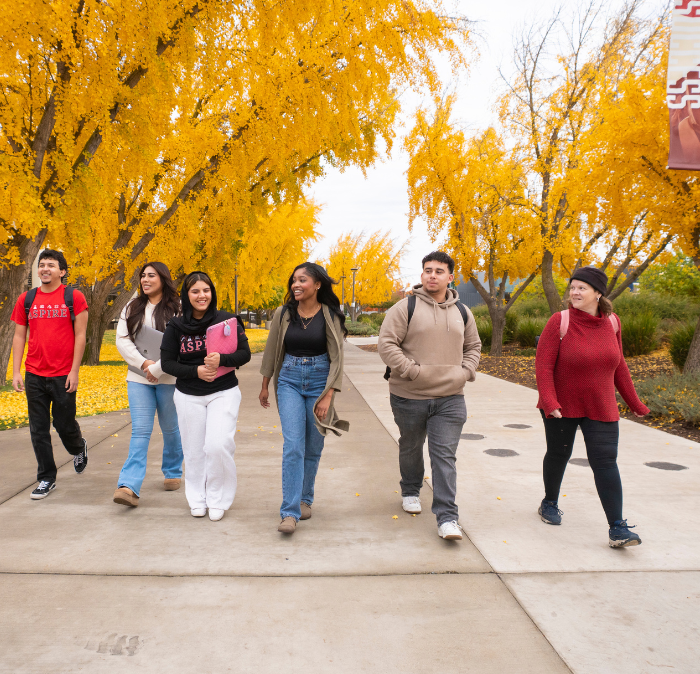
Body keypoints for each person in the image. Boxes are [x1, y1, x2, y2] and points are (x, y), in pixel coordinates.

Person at [535, 266, 649, 548]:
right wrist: (550, 401)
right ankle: (549, 502)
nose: (574, 292)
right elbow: (544, 365)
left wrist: (634, 402)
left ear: (598, 293)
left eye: (581, 288)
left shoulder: (612, 323)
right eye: (572, 287)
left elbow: (619, 364)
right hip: (561, 404)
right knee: (559, 454)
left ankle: (617, 528)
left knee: (606, 461)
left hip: (601, 403)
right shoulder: (559, 321)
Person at [378, 251, 481, 540]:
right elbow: (387, 344)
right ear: (422, 275)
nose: (432, 275)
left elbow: (474, 346)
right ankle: (411, 489)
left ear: (450, 277)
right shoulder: (404, 307)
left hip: (451, 396)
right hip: (409, 394)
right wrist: (411, 371)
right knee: (411, 445)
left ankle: (447, 517)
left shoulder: (463, 311)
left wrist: (465, 372)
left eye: (438, 271)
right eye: (427, 270)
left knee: (444, 456)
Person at [259, 262, 349, 535]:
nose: (296, 285)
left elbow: (338, 358)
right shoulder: (284, 313)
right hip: (289, 379)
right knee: (294, 445)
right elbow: (272, 349)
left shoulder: (330, 314)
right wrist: (264, 385)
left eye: (302, 280)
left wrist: (328, 394)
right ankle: (289, 512)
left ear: (318, 284)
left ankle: (305, 498)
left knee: (314, 446)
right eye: (293, 281)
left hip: (321, 381)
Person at [160, 271, 251, 521]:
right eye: (195, 291)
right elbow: (167, 363)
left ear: (213, 292)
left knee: (217, 445)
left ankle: (218, 498)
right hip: (189, 394)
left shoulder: (228, 321)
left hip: (224, 392)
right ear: (186, 296)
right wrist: (195, 371)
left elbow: (245, 354)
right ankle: (197, 499)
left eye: (206, 290)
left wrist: (222, 359)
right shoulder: (176, 326)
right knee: (193, 450)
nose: (202, 296)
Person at [11, 249, 89, 499]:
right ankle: (46, 478)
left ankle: (78, 447)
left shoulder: (73, 297)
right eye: (42, 265)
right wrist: (16, 371)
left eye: (51, 265)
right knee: (38, 428)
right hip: (34, 373)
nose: (45, 269)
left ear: (62, 272)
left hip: (63, 374)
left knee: (64, 424)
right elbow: (19, 335)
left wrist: (74, 371)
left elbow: (80, 336)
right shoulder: (27, 298)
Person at [112, 262, 184, 507]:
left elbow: (183, 343)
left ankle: (173, 470)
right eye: (143, 276)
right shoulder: (132, 307)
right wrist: (144, 365)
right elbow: (122, 340)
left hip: (170, 379)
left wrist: (157, 368)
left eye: (151, 275)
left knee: (171, 429)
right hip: (138, 379)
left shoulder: (178, 308)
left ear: (163, 279)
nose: (145, 279)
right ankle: (128, 485)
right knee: (140, 430)